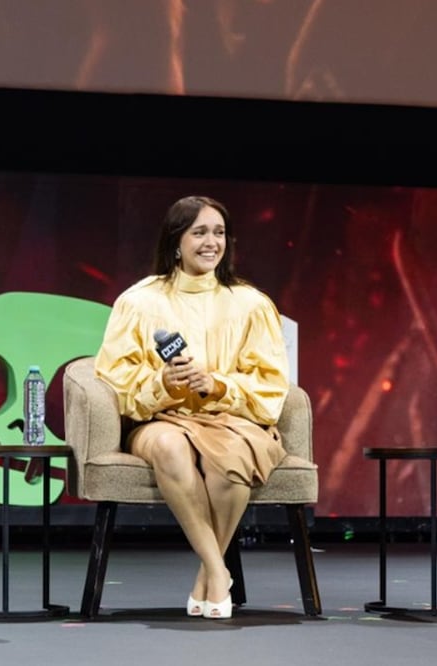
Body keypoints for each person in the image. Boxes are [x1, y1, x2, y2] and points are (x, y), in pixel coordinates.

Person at [93, 195, 290, 620]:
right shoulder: (139, 301)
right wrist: (161, 384)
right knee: (168, 446)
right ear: (176, 240)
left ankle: (209, 572)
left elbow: (271, 385)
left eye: (218, 233)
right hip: (164, 418)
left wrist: (218, 385)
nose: (210, 242)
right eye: (199, 232)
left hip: (231, 419)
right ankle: (220, 571)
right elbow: (114, 381)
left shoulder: (251, 304)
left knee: (233, 459)